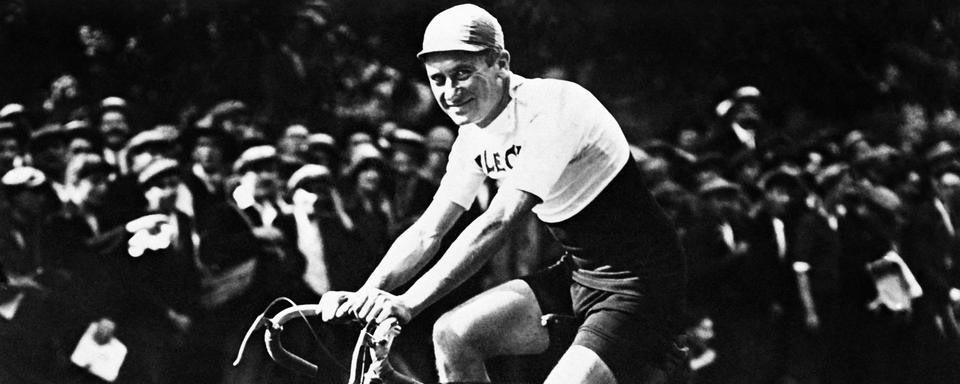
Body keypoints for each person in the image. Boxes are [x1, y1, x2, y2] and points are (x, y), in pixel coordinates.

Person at [319, 4, 688, 384]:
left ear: (501, 62)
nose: (450, 91)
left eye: (463, 74)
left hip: (641, 282)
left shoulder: (553, 106)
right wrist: (367, 293)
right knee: (453, 335)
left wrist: (407, 304)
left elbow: (500, 220)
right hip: (580, 272)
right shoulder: (472, 136)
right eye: (438, 79)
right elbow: (429, 230)